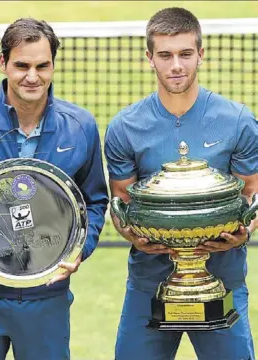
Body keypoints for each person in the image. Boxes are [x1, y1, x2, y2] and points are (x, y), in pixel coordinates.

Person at [105, 7, 257, 360]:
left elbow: (251, 193)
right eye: (166, 55)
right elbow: (121, 202)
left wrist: (244, 231)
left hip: (222, 279)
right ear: (150, 58)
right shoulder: (125, 126)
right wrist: (133, 235)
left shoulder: (237, 120)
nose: (176, 66)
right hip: (149, 284)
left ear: (201, 54)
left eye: (186, 54)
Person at [0, 18, 108, 360]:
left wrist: (80, 248)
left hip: (46, 297)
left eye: (42, 65)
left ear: (53, 64)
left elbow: (94, 200)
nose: (32, 76)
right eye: (21, 65)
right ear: (3, 62)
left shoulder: (81, 126)